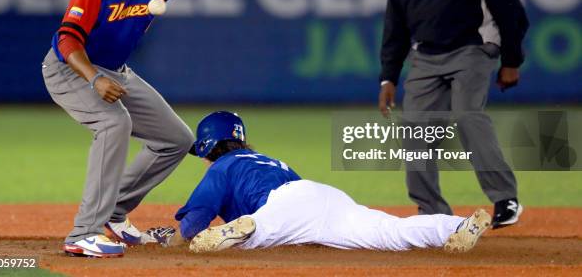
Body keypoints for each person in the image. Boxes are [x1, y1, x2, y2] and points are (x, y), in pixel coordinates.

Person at [42, 0, 309, 258]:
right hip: (71, 68)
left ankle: (115, 211)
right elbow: (68, 39)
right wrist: (93, 80)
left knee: (176, 139)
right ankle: (83, 232)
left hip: (116, 70)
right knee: (112, 123)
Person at [378, 0, 529, 227]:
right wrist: (388, 76)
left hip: (472, 48)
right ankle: (431, 213)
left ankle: (506, 200)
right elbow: (396, 23)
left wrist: (511, 60)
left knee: (466, 115)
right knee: (415, 131)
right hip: (426, 57)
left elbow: (508, 6)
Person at [145, 111, 491, 254]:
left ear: (207, 145)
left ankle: (247, 229)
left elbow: (192, 225)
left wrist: (168, 241)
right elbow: (301, 211)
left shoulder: (220, 168)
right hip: (323, 198)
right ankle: (456, 225)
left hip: (282, 209)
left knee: (252, 236)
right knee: (392, 231)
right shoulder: (268, 161)